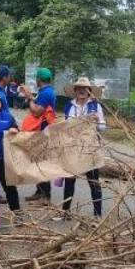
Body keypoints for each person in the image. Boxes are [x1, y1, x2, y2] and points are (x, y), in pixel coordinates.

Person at [55, 77, 107, 221]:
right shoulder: (69, 106)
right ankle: (65, 213)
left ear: (89, 91)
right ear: (75, 91)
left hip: (90, 148)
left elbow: (102, 127)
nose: (82, 91)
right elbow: (65, 127)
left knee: (93, 181)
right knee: (69, 180)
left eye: (85, 89)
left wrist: (97, 121)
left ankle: (97, 215)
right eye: (79, 89)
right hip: (72, 147)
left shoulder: (95, 106)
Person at [20, 67, 59, 203]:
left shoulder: (46, 93)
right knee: (37, 163)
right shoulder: (45, 92)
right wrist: (30, 99)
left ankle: (45, 196)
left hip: (42, 132)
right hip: (40, 131)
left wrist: (29, 97)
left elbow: (37, 112)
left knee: (41, 164)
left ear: (38, 79)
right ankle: (39, 192)